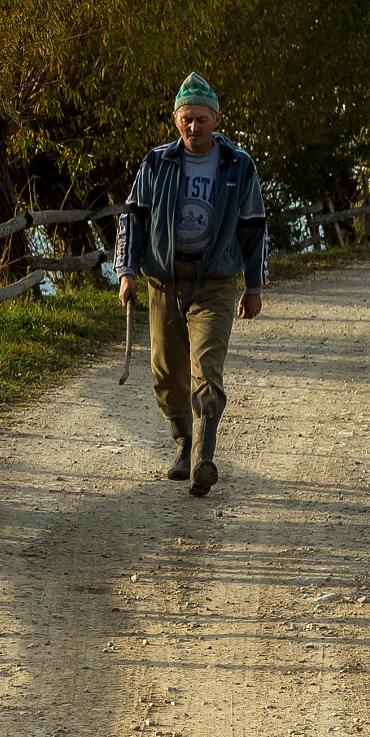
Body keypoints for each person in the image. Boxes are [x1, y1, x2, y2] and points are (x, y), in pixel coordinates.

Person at [115, 72, 268, 495]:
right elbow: (132, 217)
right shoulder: (156, 162)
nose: (193, 128)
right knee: (166, 374)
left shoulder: (239, 164)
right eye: (186, 119)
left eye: (201, 119)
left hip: (215, 282)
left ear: (216, 119)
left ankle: (204, 455)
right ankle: (183, 442)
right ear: (176, 120)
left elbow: (254, 227)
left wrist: (253, 287)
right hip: (164, 281)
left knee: (207, 370)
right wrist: (126, 271)